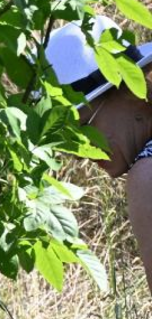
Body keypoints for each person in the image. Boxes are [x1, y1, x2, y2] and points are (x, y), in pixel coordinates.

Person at [47, 17, 152, 287]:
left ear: (130, 93)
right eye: (66, 140)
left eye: (83, 127)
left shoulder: (147, 175)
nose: (79, 153)